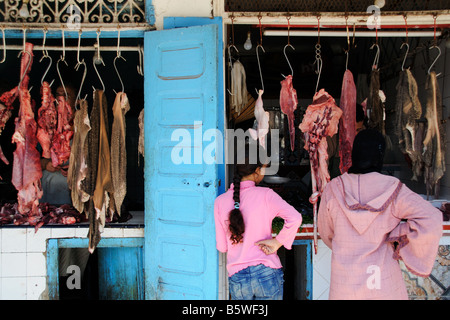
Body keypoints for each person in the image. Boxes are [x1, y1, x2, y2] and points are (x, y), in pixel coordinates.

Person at [318, 129, 442, 300]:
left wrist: (348, 246)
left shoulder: (333, 188)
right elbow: (432, 217)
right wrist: (398, 234)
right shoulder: (394, 189)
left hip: (344, 285)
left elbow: (326, 233)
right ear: (380, 155)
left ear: (354, 154)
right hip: (383, 286)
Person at [214, 147, 302, 300]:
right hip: (266, 273)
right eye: (263, 170)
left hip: (238, 277)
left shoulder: (219, 202)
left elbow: (222, 247)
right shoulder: (266, 195)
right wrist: (277, 242)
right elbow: (295, 217)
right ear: (256, 170)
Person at [39, 84, 76, 205]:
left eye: (66, 95)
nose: (61, 99)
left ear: (76, 100)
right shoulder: (48, 124)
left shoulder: (84, 124)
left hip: (75, 184)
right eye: (58, 95)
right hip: (48, 185)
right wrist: (46, 164)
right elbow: (34, 159)